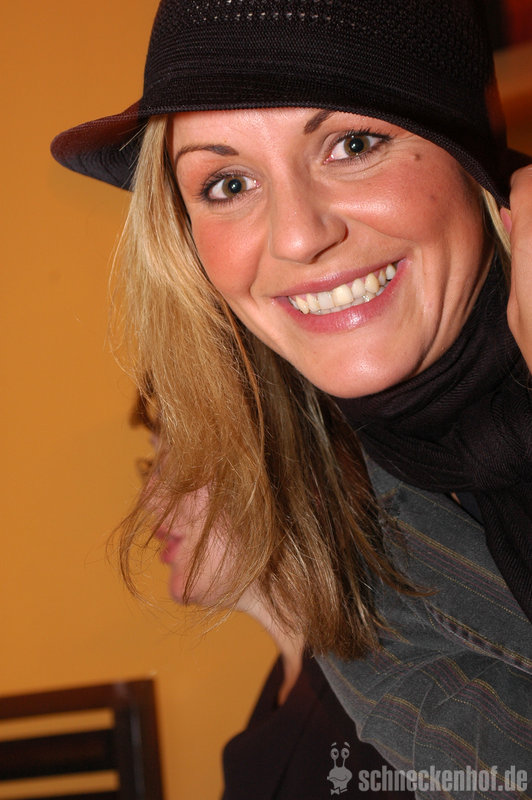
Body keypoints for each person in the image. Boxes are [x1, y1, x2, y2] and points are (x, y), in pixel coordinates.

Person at [51, 0, 532, 794]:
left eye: (353, 144)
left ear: (467, 155)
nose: (299, 236)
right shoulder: (359, 573)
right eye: (229, 183)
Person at [132, 392, 416, 799]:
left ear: (285, 459)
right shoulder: (302, 683)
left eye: (177, 457)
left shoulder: (388, 712)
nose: (148, 499)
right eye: (152, 466)